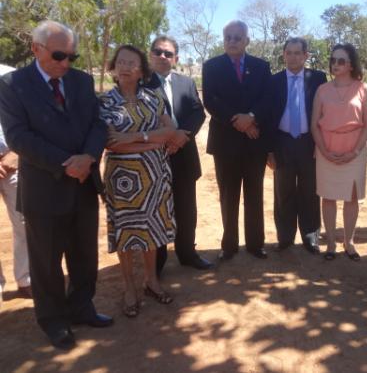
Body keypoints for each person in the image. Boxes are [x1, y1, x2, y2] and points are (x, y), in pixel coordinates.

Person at [0, 21, 112, 350]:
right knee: (46, 262)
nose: (66, 63)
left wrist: (89, 157)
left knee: (84, 256)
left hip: (84, 184)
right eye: (59, 55)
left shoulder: (82, 80)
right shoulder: (12, 84)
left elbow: (97, 123)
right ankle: (53, 320)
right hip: (44, 188)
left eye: (71, 57)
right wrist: (68, 164)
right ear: (36, 49)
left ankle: (82, 307)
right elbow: (19, 137)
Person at [100, 45, 177, 317]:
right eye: (120, 62)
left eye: (131, 62)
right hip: (122, 181)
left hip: (155, 177)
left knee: (151, 230)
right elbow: (111, 143)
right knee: (126, 232)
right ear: (113, 67)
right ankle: (129, 287)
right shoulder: (105, 102)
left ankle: (151, 281)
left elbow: (170, 132)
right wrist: (151, 141)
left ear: (142, 69)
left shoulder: (153, 97)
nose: (124, 66)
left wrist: (135, 138)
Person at [202, 21, 271, 260]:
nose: (232, 41)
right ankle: (229, 245)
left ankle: (255, 244)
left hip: (255, 142)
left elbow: (266, 99)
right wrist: (239, 122)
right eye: (228, 37)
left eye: (237, 37)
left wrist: (251, 118)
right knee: (228, 195)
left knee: (254, 193)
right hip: (225, 142)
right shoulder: (211, 66)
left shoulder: (262, 67)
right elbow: (211, 100)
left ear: (247, 41)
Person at [146, 36, 212, 274]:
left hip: (184, 153)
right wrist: (166, 139)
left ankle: (187, 253)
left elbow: (198, 112)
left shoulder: (186, 82)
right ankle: (158, 260)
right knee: (159, 209)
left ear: (176, 58)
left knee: (186, 208)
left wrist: (182, 136)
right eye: (158, 52)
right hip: (155, 156)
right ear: (151, 54)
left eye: (168, 53)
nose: (163, 57)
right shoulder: (141, 84)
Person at [311, 43, 367, 260]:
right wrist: (324, 151)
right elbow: (314, 125)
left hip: (354, 153)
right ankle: (330, 243)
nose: (335, 64)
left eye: (340, 61)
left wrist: (354, 151)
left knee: (351, 198)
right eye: (333, 60)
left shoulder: (364, 89)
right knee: (328, 198)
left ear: (350, 64)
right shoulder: (322, 90)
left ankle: (349, 241)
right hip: (326, 151)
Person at [268, 37, 326, 254]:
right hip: (282, 141)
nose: (293, 57)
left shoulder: (318, 78)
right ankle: (285, 237)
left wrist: (320, 143)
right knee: (283, 191)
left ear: (305, 56)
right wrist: (270, 150)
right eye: (289, 52)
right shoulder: (273, 81)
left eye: (297, 53)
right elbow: (268, 118)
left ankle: (311, 236)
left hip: (308, 142)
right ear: (283, 55)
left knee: (310, 191)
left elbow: (324, 113)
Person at [0, 63, 31, 305]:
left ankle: (26, 279)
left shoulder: (11, 77)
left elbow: (30, 120)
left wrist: (16, 153)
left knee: (24, 221)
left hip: (12, 159)